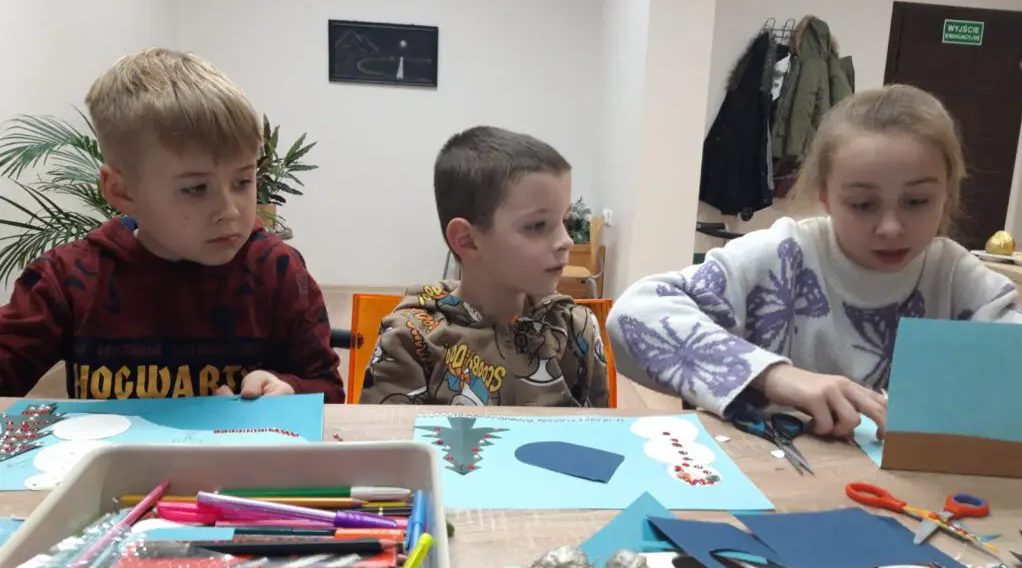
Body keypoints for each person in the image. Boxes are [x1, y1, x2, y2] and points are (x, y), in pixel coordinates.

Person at [608, 84, 1021, 438]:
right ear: (825, 197)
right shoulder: (782, 256)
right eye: (863, 204)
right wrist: (774, 376)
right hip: (768, 478)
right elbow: (631, 316)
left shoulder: (958, 278)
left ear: (947, 192)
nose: (891, 227)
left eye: (916, 201)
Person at [0, 48, 345, 402]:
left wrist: (289, 389)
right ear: (123, 191)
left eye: (243, 181)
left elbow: (327, 389)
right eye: (196, 188)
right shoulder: (69, 279)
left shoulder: (276, 271)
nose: (230, 211)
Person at [359, 126, 609, 407]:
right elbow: (389, 435)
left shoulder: (576, 328)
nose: (566, 241)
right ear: (468, 241)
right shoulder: (411, 340)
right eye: (538, 225)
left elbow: (602, 429)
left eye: (565, 221)